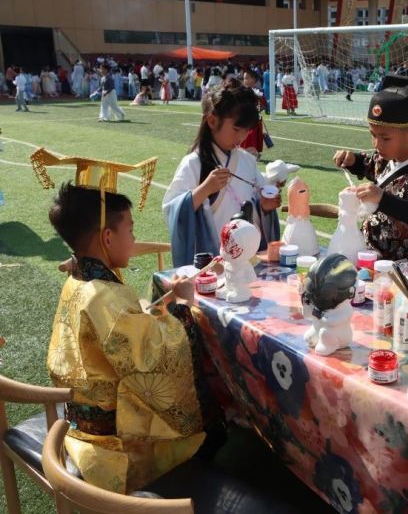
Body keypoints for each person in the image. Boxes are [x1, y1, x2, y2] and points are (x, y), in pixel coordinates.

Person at [30, 150, 224, 494]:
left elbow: (128, 339)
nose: (134, 240)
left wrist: (163, 306)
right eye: (130, 230)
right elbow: (158, 361)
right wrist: (182, 306)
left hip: (82, 423)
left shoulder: (78, 278)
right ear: (107, 238)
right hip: (114, 448)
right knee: (212, 429)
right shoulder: (107, 298)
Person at [162, 77, 282, 266]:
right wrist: (205, 189)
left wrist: (266, 205)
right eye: (236, 129)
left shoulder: (247, 160)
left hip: (248, 258)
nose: (242, 137)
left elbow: (257, 200)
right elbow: (171, 210)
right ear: (212, 120)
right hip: (213, 262)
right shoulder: (193, 163)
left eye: (246, 131)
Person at [332, 75, 408, 263]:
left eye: (385, 138)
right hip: (368, 257)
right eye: (373, 135)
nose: (377, 144)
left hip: (402, 266)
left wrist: (383, 199)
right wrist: (352, 160)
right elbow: (368, 164)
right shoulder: (385, 158)